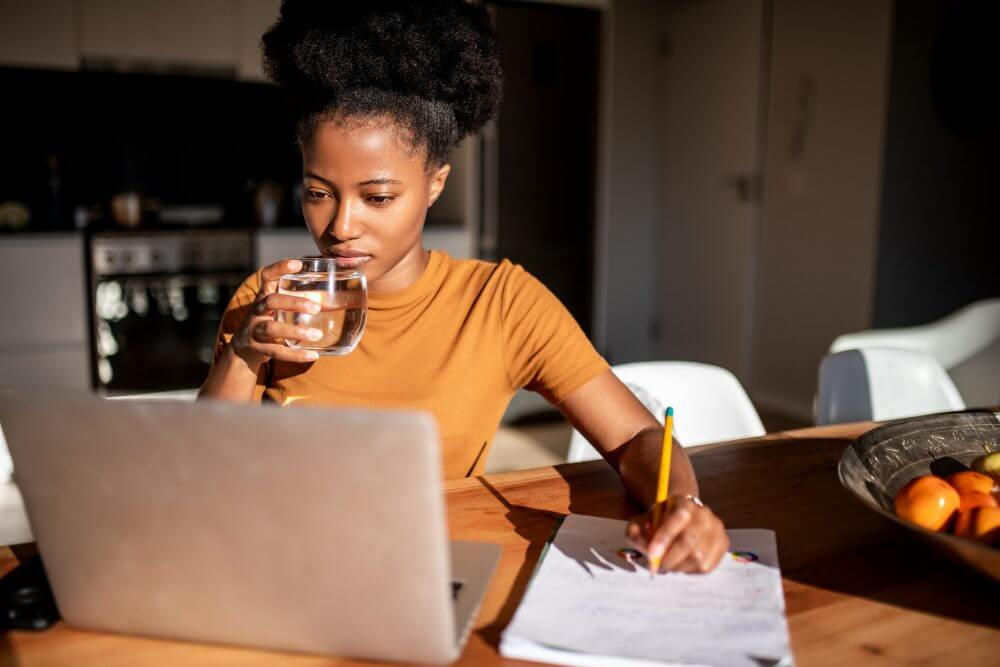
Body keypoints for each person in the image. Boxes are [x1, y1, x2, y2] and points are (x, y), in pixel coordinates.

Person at [199, 0, 729, 574]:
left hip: (427, 567)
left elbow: (636, 436)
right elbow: (199, 469)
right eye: (318, 192)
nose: (340, 227)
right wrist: (244, 354)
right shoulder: (271, 298)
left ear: (434, 185)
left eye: (377, 197)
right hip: (283, 561)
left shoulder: (501, 305)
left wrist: (682, 503)